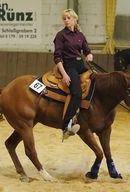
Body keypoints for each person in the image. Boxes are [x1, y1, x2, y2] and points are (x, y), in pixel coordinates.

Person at [53, 9, 93, 139]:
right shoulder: (61, 35)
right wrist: (64, 74)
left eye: (69, 18)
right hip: (69, 65)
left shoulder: (80, 35)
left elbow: (87, 50)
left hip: (80, 64)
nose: (66, 20)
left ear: (75, 19)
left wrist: (89, 55)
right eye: (64, 18)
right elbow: (57, 57)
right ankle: (65, 126)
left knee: (97, 80)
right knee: (76, 93)